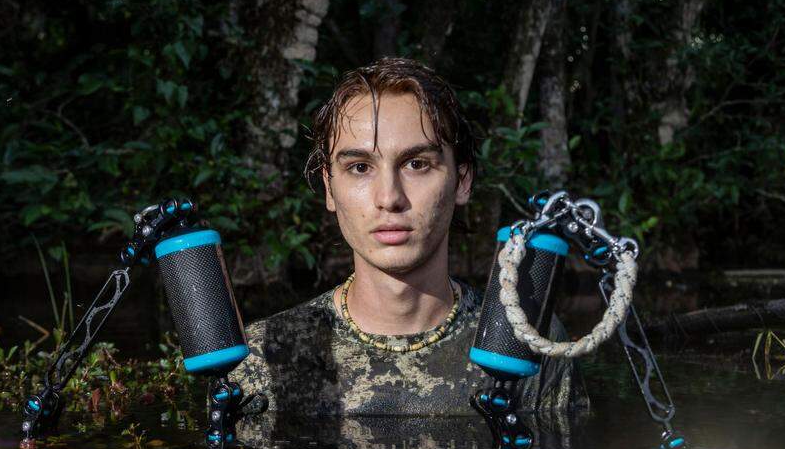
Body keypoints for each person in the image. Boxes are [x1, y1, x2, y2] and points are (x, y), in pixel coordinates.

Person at [236, 57, 584, 417]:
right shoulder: (264, 357)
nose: (389, 198)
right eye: (359, 168)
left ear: (462, 180)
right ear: (329, 187)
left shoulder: (527, 340)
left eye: (416, 164)